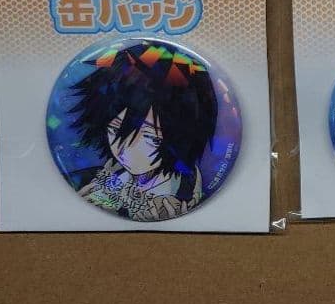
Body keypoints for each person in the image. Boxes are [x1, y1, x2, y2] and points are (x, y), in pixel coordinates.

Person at [65, 42, 219, 221]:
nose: (127, 150)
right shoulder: (85, 181)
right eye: (115, 129)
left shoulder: (189, 197)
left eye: (151, 138)